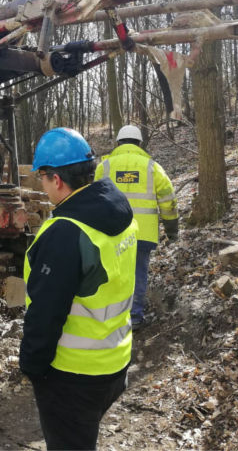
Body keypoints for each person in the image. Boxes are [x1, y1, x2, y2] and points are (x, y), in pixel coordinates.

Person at [20, 128, 138, 450]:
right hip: (116, 358)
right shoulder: (119, 209)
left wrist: (31, 367)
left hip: (74, 375)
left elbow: (45, 315)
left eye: (42, 180)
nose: (42, 188)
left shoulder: (65, 233)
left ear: (56, 179)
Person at [95, 124, 179, 329]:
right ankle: (134, 317)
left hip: (111, 232)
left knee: (112, 273)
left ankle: (112, 316)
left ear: (118, 143)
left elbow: (93, 199)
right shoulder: (152, 167)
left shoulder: (104, 167)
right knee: (138, 273)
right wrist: (171, 229)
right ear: (140, 143)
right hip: (143, 234)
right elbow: (168, 200)